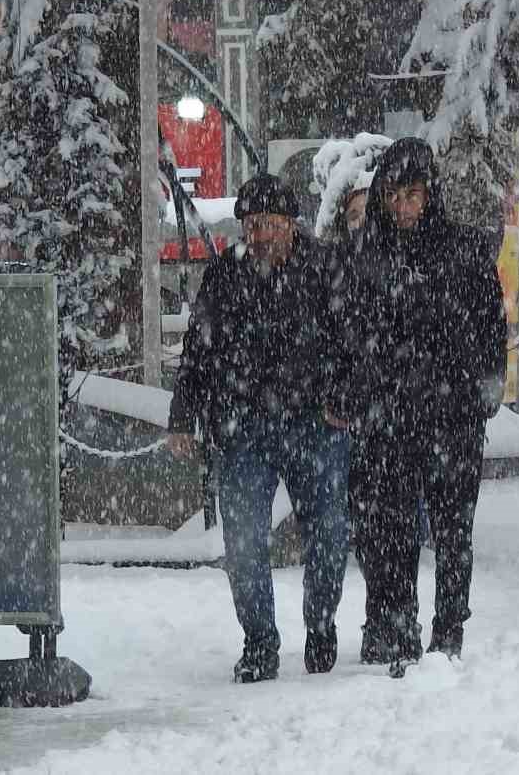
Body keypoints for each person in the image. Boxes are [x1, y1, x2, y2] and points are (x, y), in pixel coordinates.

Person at [167, 176, 354, 683]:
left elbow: (354, 343)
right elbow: (198, 350)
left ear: (291, 225)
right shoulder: (225, 275)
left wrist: (344, 400)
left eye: (272, 224)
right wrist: (184, 417)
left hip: (315, 423)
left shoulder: (326, 268)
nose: (263, 234)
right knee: (244, 541)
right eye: (254, 226)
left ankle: (321, 623)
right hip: (242, 426)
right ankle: (259, 641)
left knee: (330, 533)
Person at [343, 137, 507, 675]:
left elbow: (490, 326)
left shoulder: (463, 251)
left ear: (429, 194)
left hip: (452, 415)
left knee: (453, 528)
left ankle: (449, 627)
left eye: (413, 195)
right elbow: (350, 333)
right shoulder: (366, 257)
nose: (404, 207)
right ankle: (397, 622)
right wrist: (355, 392)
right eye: (394, 196)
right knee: (390, 529)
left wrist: (486, 386)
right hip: (389, 419)